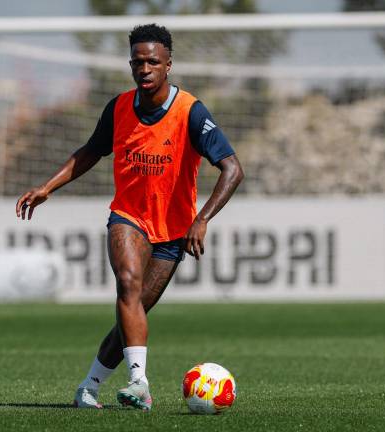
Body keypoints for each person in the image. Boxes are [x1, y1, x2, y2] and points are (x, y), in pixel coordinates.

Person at [15, 23, 244, 411]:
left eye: (153, 61)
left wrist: (202, 218)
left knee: (133, 312)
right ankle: (140, 384)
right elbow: (91, 150)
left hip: (172, 230)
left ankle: (89, 386)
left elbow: (233, 169)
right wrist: (47, 187)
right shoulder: (119, 108)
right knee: (127, 285)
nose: (145, 69)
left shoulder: (190, 111)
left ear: (168, 65)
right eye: (138, 62)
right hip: (128, 216)